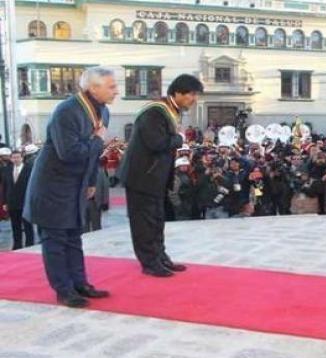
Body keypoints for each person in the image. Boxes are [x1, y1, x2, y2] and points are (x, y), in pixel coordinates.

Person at [23, 67, 117, 308]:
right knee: (55, 239)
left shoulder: (103, 111)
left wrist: (91, 181)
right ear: (92, 88)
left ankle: (80, 283)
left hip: (77, 184)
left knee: (74, 236)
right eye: (111, 86)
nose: (116, 91)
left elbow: (93, 154)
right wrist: (96, 139)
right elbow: (70, 153)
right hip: (53, 185)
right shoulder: (67, 111)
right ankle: (63, 290)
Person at [118, 74, 203, 278]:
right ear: (178, 92)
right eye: (192, 94)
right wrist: (179, 139)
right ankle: (149, 262)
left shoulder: (171, 110)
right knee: (144, 222)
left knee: (156, 219)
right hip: (141, 177)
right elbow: (156, 142)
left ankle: (160, 256)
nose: (194, 100)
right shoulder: (155, 112)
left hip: (155, 177)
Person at [1, 150, 34, 249]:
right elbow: (5, 187)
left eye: (18, 157)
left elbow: (32, 186)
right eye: (14, 157)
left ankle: (30, 244)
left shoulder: (29, 169)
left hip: (25, 202)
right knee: (15, 226)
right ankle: (17, 244)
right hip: (12, 202)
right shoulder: (7, 170)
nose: (16, 159)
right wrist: (5, 202)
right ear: (11, 159)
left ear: (22, 158)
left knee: (27, 225)